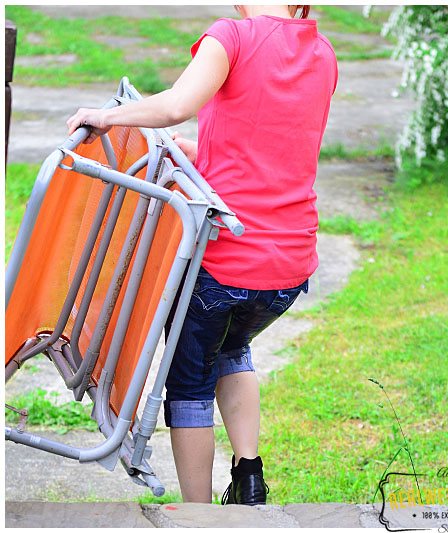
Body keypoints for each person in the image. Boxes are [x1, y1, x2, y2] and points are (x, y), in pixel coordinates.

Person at [67, 4, 337, 505]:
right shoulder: (322, 52)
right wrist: (203, 149)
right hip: (289, 265)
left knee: (190, 383)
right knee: (232, 350)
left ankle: (199, 516)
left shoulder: (230, 36)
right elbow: (277, 142)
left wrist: (106, 117)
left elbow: (175, 105)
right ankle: (248, 477)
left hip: (225, 260)